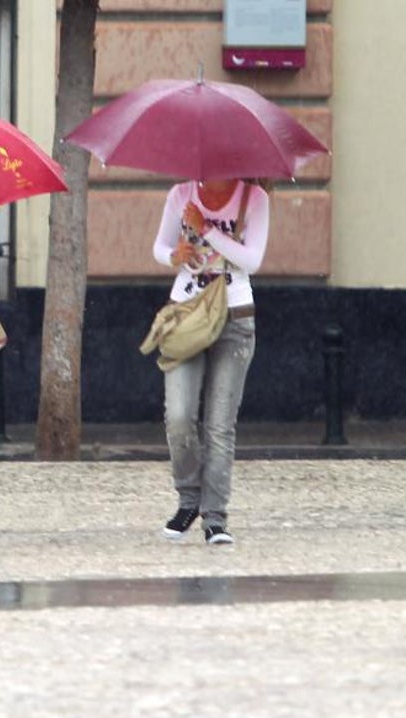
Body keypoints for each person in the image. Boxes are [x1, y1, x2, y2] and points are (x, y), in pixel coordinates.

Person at [151, 177, 269, 545]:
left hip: (235, 317)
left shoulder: (255, 198)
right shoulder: (181, 194)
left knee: (220, 426)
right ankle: (189, 500)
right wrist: (175, 255)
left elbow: (253, 259)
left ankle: (215, 517)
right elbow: (160, 246)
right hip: (185, 314)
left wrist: (207, 230)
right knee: (179, 416)